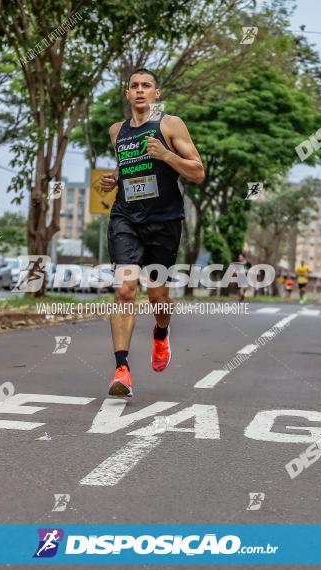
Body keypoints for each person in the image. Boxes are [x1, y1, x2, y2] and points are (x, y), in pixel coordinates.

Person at [99, 68, 205, 397]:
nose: (140, 91)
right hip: (126, 217)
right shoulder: (117, 131)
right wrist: (114, 180)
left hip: (165, 221)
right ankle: (122, 369)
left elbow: (198, 172)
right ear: (127, 93)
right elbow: (128, 168)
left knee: (158, 296)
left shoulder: (170, 125)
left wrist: (166, 154)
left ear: (156, 93)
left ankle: (161, 333)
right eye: (134, 86)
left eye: (146, 86)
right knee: (125, 290)